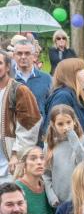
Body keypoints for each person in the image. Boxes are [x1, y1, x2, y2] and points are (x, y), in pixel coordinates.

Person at [0, 50, 42, 180]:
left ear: (7, 67)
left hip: (10, 167)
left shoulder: (19, 90)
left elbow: (30, 126)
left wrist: (16, 154)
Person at [42, 105, 84, 206]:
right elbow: (46, 175)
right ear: (53, 125)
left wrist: (72, 136)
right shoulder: (49, 146)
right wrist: (52, 197)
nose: (65, 127)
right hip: (59, 203)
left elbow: (81, 163)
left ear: (74, 121)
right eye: (60, 124)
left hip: (81, 201)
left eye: (68, 122)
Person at [45, 57, 84, 139]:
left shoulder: (82, 96)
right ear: (70, 74)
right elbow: (54, 130)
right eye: (80, 69)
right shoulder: (63, 96)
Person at [12, 40, 52, 123]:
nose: (23, 57)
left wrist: (46, 129)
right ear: (14, 56)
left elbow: (51, 106)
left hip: (40, 131)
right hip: (14, 132)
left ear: (34, 56)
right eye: (19, 53)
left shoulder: (46, 78)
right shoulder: (8, 78)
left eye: (27, 53)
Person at [14, 147, 54, 214]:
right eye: (33, 158)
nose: (39, 162)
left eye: (42, 158)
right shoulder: (16, 188)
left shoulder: (47, 186)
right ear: (23, 164)